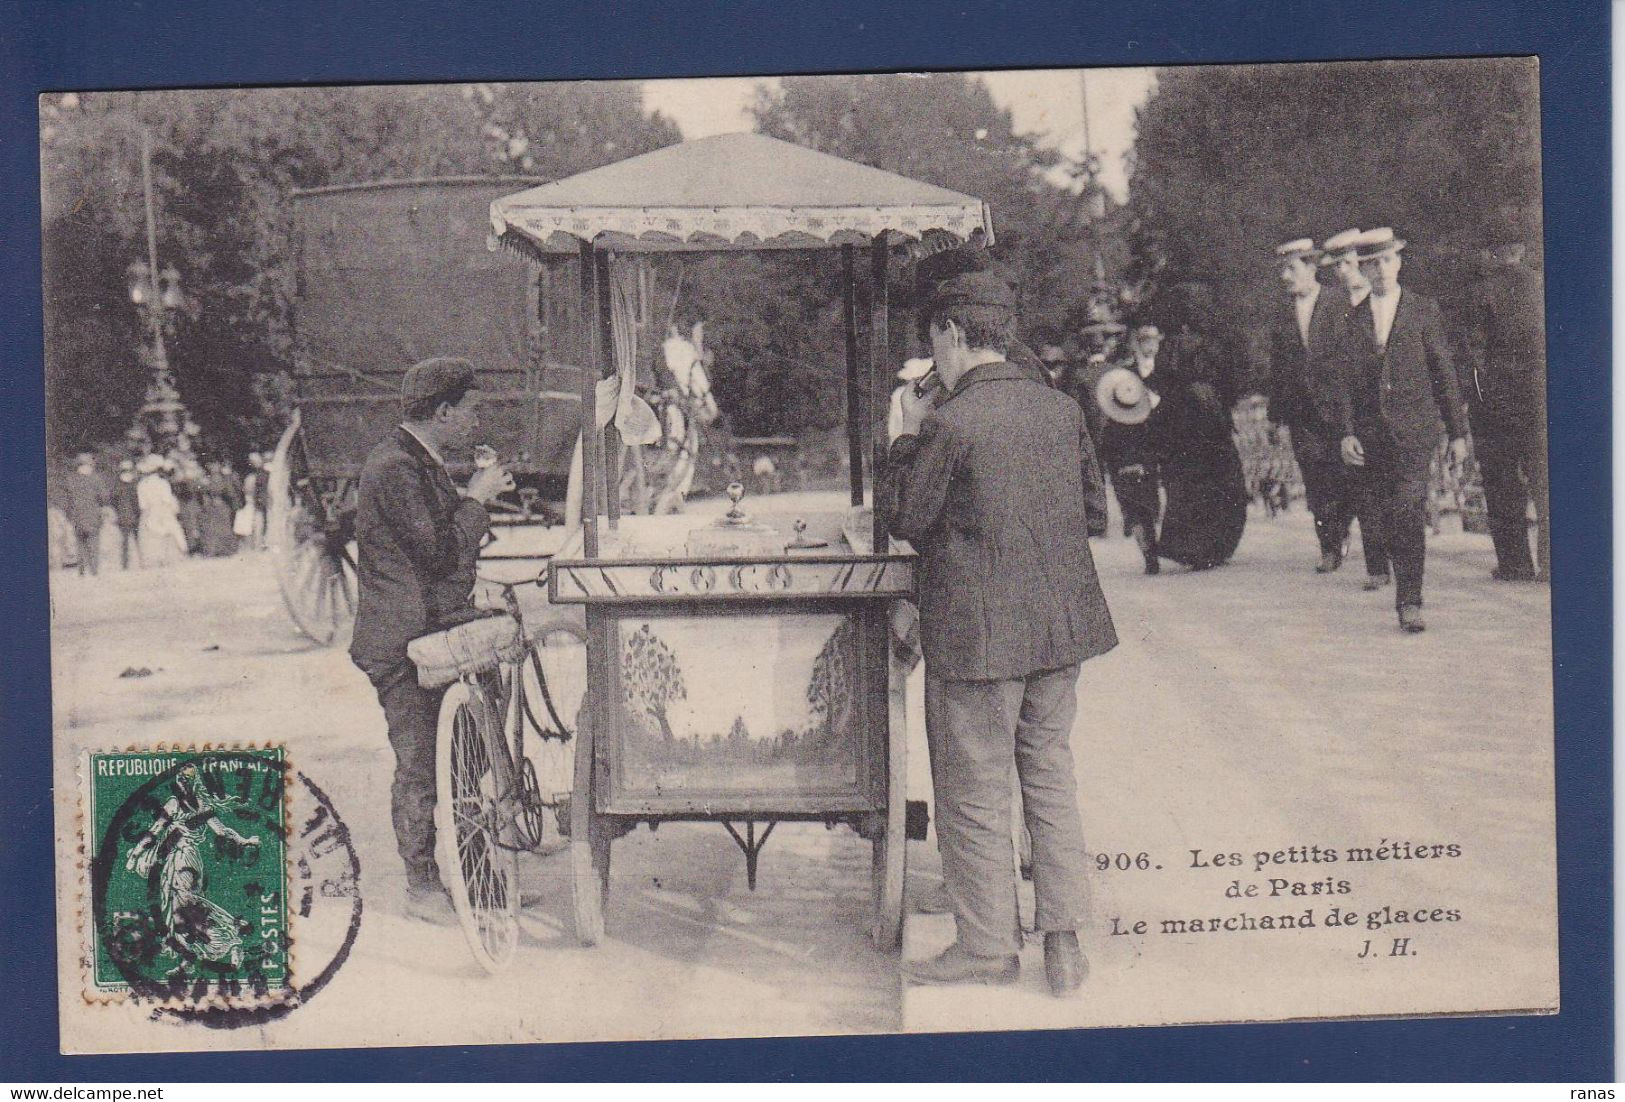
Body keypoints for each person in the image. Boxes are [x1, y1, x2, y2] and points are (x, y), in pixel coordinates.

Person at [882, 268, 1116, 997]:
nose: (935, 363)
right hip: (1059, 631)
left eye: (935, 346)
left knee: (974, 787)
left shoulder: (949, 422)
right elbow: (1091, 511)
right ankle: (1064, 944)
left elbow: (907, 519)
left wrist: (902, 441)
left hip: (977, 637)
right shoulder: (1059, 408)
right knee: (1047, 775)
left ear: (951, 335)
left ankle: (985, 947)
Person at [349, 357, 513, 924]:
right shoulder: (395, 467)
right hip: (404, 643)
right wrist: (477, 499)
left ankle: (479, 890)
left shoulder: (417, 460)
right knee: (421, 765)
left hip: (432, 630)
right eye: (471, 410)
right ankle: (421, 889)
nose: (477, 419)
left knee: (463, 761)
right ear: (443, 413)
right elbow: (441, 551)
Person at [1339, 229, 1471, 633]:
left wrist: (1458, 433)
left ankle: (1410, 602)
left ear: (1398, 262)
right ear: (1362, 268)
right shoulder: (1354, 318)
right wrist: (1347, 433)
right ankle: (1403, 587)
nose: (1380, 270)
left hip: (1415, 432)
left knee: (1408, 509)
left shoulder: (1422, 310)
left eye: (1386, 261)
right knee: (1389, 515)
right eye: (1371, 263)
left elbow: (1444, 374)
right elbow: (1344, 384)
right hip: (1373, 435)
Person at [1144, 283, 1250, 571]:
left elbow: (1159, 380)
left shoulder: (1173, 345)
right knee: (1218, 484)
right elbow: (1232, 382)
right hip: (1207, 422)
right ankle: (1214, 545)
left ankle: (1195, 547)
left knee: (1190, 487)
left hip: (1183, 425)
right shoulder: (1215, 343)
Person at [1266, 238, 1354, 572]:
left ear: (1312, 267)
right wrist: (1275, 419)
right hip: (1301, 414)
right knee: (1316, 480)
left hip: (1339, 409)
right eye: (1282, 270)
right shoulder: (1282, 314)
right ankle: (1328, 547)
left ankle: (1342, 524)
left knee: (1346, 476)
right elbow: (1278, 370)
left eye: (1292, 268)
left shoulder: (1338, 303)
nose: (1286, 277)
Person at [1462, 241, 1548, 581]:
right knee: (1546, 482)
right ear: (1521, 251)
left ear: (1493, 254)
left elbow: (1473, 355)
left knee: (1501, 484)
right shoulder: (1543, 284)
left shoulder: (1481, 292)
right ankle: (1553, 563)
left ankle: (1515, 564)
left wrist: (1479, 399)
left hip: (1496, 405)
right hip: (1541, 399)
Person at [1319, 228, 1393, 592]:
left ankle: (1399, 555)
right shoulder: (1334, 307)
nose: (1344, 271)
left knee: (1395, 494)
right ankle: (1376, 564)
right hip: (1355, 412)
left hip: (1394, 410)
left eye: (1349, 262)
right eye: (1338, 265)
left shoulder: (1389, 301)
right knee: (1364, 491)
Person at [1097, 324, 1169, 571]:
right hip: (1131, 441)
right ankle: (1149, 551)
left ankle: (1150, 549)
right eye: (1146, 341)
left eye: (1154, 341)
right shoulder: (1128, 374)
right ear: (1139, 344)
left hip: (1141, 443)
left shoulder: (1161, 371)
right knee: (1138, 503)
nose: (1151, 346)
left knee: (1142, 502)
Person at [63, 452, 111, 576]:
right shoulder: (96, 479)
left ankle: (81, 571)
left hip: (77, 517)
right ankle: (94, 570)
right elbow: (104, 497)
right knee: (93, 544)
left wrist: (69, 515)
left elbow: (67, 500)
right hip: (93, 516)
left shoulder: (71, 479)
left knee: (80, 544)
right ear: (90, 464)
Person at [136, 456, 188, 566]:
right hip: (163, 510)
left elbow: (142, 504)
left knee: (150, 534)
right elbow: (167, 500)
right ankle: (170, 557)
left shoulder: (142, 484)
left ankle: (152, 559)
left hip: (149, 511)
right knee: (169, 531)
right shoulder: (163, 483)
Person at [113, 459, 142, 569]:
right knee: (138, 540)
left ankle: (125, 564)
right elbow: (137, 501)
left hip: (123, 516)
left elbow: (113, 500)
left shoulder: (117, 485)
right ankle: (141, 560)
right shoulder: (134, 484)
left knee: (124, 542)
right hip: (134, 516)